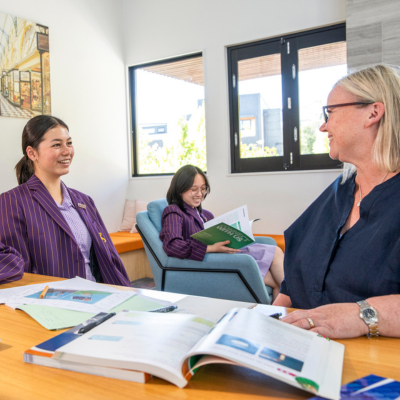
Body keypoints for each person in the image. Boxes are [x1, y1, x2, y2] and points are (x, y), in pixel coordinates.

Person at [274, 64, 400, 338]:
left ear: (373, 113)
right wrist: (270, 322)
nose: (323, 126)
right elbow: (293, 280)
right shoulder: (338, 192)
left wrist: (360, 315)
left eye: (330, 113)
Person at [0, 115, 130, 286]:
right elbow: (16, 271)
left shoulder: (84, 201)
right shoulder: (11, 202)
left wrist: (127, 293)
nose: (67, 151)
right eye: (56, 145)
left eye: (69, 143)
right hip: (50, 303)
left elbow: (109, 257)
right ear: (32, 153)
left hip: (99, 297)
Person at [159, 165, 284, 301]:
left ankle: (280, 316)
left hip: (227, 253)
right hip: (216, 261)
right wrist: (211, 248)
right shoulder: (173, 211)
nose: (200, 194)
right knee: (280, 282)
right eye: (193, 189)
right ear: (179, 189)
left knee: (276, 255)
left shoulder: (206, 214)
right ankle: (286, 312)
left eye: (203, 189)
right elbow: (172, 245)